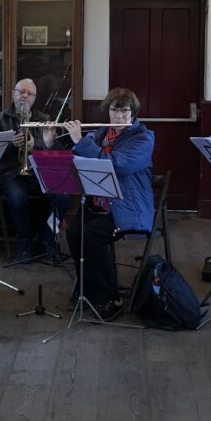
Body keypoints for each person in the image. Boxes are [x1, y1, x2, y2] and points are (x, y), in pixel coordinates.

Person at [65, 87, 154, 320]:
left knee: (92, 235)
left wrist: (80, 141)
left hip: (127, 208)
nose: (119, 116)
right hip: (100, 203)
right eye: (115, 110)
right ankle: (88, 288)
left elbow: (117, 165)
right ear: (108, 111)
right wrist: (49, 141)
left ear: (133, 113)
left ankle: (109, 298)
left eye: (125, 111)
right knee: (74, 232)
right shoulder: (101, 134)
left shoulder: (143, 138)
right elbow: (79, 161)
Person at [0, 78, 69, 263]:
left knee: (63, 197)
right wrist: (10, 144)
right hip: (11, 173)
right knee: (16, 198)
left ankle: (47, 240)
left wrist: (37, 145)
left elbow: (54, 149)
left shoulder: (43, 119)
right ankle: (24, 243)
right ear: (13, 93)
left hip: (39, 171)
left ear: (34, 98)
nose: (24, 95)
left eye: (29, 93)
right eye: (20, 91)